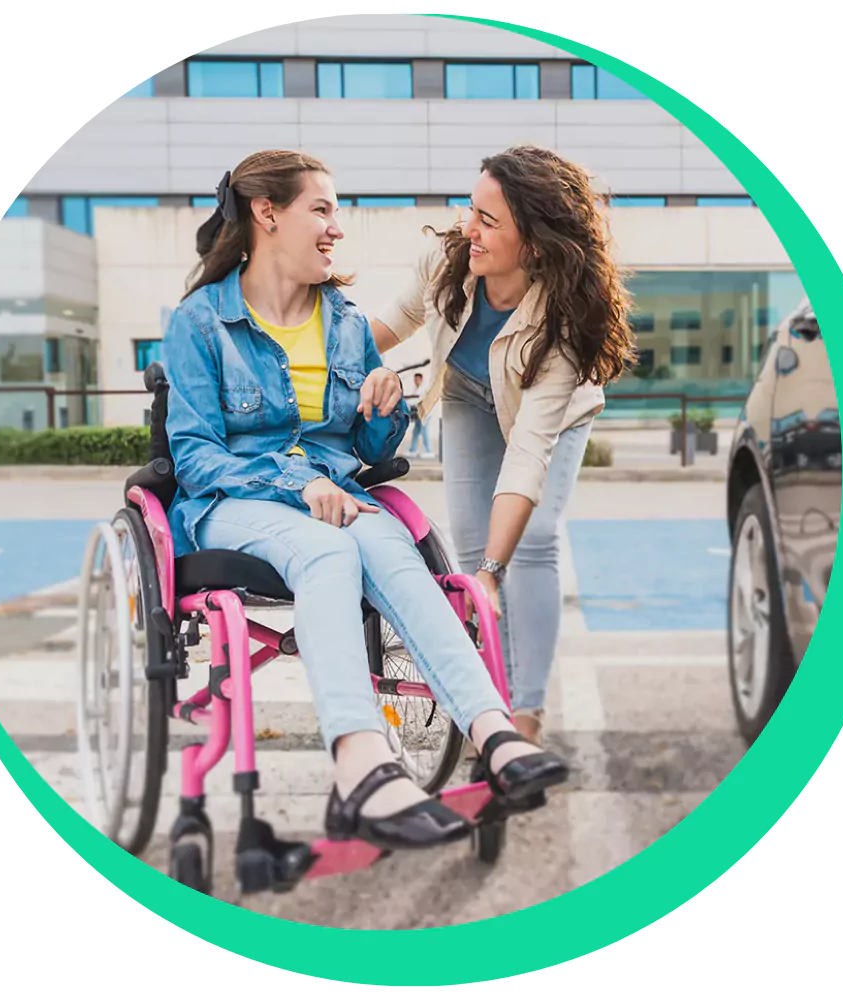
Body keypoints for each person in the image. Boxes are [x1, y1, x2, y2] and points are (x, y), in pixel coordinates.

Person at [160, 149, 571, 855]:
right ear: (266, 215)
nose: (335, 229)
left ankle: (494, 732)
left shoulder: (343, 320)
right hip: (233, 502)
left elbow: (366, 445)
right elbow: (195, 456)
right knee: (326, 549)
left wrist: (384, 407)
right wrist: (297, 484)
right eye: (321, 209)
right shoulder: (200, 322)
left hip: (335, 494)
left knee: (397, 554)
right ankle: (359, 763)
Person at [370, 145, 637, 746]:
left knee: (530, 542)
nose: (470, 229)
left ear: (535, 244)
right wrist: (343, 368)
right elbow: (385, 326)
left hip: (554, 417)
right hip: (468, 391)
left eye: (488, 221)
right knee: (469, 547)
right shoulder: (447, 261)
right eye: (471, 210)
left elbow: (528, 453)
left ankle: (526, 713)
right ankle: (489, 700)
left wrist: (495, 569)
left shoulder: (563, 323)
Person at [407, 372, 435, 458]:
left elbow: (418, 399)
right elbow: (413, 400)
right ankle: (413, 450)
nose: (416, 381)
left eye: (417, 379)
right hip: (418, 413)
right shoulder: (416, 388)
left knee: (424, 432)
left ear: (421, 379)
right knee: (416, 431)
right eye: (415, 380)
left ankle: (428, 451)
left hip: (425, 413)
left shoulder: (424, 388)